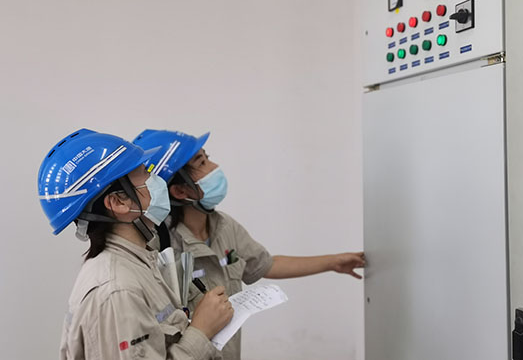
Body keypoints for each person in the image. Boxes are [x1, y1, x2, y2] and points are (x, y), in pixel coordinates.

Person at [133, 129, 365, 360]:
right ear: (179, 190)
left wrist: (334, 262)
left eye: (207, 157)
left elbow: (266, 265)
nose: (214, 167)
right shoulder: (156, 247)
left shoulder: (224, 226)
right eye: (201, 162)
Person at [38, 129, 233, 360]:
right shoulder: (118, 290)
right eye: (144, 172)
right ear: (118, 202)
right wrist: (201, 331)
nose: (156, 179)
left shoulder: (139, 262)